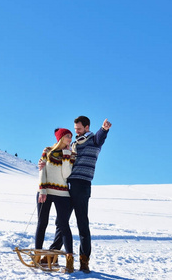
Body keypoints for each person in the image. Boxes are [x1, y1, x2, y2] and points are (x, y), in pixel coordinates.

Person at [40, 116, 112, 273]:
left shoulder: (94, 140)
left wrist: (104, 129)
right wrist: (44, 164)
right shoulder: (73, 144)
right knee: (62, 222)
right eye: (75, 129)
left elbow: (100, 137)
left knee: (82, 223)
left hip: (82, 186)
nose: (76, 131)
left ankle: (84, 260)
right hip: (68, 185)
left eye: (79, 129)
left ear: (87, 127)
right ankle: (52, 254)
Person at [35, 128, 76, 273]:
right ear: (60, 138)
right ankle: (37, 255)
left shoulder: (71, 154)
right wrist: (42, 190)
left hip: (63, 194)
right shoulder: (47, 150)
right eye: (67, 137)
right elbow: (42, 171)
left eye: (71, 137)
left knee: (64, 225)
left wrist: (66, 155)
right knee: (42, 223)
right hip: (46, 191)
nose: (70, 139)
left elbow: (66, 175)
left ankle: (69, 259)